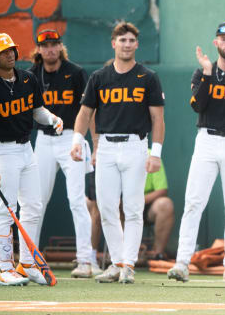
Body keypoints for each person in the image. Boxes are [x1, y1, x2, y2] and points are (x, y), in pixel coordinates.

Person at [70, 21, 165, 284]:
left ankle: (129, 265)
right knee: (107, 207)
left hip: (136, 145)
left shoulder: (148, 77)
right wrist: (78, 140)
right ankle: (118, 261)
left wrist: (155, 153)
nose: (126, 44)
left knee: (133, 208)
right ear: (114, 43)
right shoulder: (99, 77)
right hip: (107, 146)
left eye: (131, 40)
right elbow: (85, 112)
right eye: (122, 40)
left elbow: (158, 118)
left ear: (137, 44)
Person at [168, 23, 225, 283]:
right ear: (215, 42)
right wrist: (208, 74)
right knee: (194, 202)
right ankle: (182, 263)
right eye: (223, 39)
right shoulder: (202, 72)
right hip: (207, 139)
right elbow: (198, 105)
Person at [0, 32, 63, 286]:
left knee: (34, 207)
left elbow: (37, 111)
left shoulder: (27, 78)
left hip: (27, 149)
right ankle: (4, 268)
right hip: (3, 151)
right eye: (3, 52)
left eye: (11, 49)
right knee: (5, 210)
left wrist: (52, 119)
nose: (10, 54)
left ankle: (27, 264)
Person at [28, 29, 94, 279]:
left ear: (60, 46)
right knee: (36, 200)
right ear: (39, 48)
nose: (50, 49)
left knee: (77, 200)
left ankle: (86, 260)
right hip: (43, 139)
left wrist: (91, 142)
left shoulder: (75, 72)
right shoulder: (32, 74)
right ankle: (29, 258)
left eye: (54, 44)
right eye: (45, 45)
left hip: (70, 138)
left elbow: (89, 110)